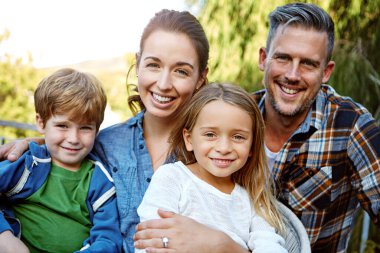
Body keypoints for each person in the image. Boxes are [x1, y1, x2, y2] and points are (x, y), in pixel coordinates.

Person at [0, 10, 253, 253]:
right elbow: (65, 150)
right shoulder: (104, 145)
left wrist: (223, 246)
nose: (163, 84)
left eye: (181, 71)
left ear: (201, 78)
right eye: (154, 65)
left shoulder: (220, 152)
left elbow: (258, 227)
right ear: (138, 64)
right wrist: (36, 140)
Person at [254, 2, 380, 252]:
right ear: (263, 58)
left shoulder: (350, 125)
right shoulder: (235, 117)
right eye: (283, 58)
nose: (292, 74)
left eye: (308, 64)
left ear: (326, 72)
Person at [135, 83, 287, 253]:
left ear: (252, 146)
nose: (223, 148)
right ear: (189, 139)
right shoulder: (172, 178)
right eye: (210, 135)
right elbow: (149, 243)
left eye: (238, 137)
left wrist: (225, 246)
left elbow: (271, 248)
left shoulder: (253, 198)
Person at [0, 68, 122, 253]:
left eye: (85, 128)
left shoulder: (99, 181)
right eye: (62, 126)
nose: (73, 138)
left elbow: (107, 239)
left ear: (97, 130)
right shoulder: (27, 164)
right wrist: (5, 237)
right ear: (41, 123)